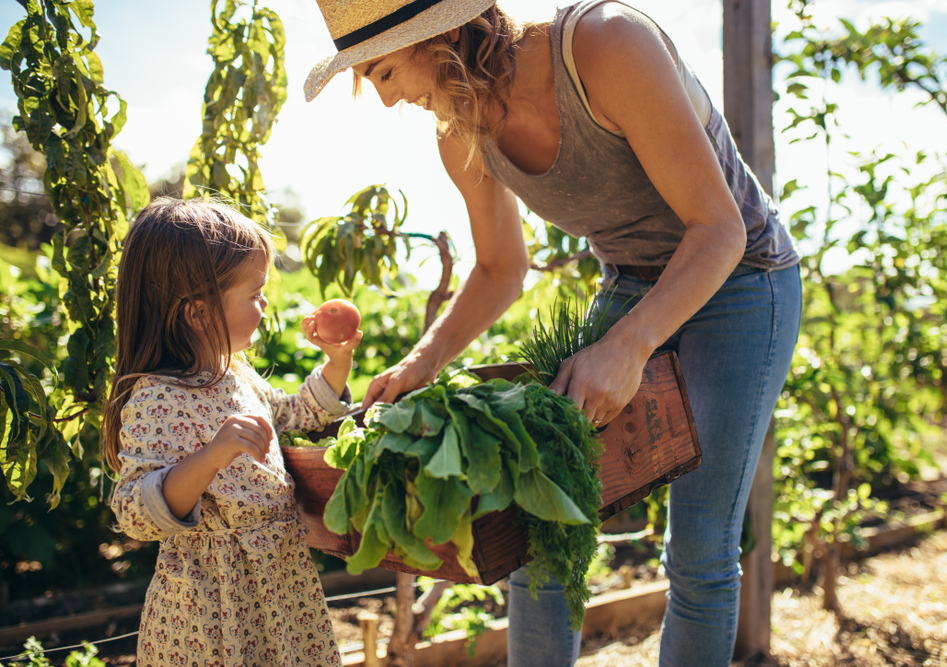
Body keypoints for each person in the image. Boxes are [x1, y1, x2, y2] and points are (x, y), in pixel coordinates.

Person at [305, 1, 802, 665]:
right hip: (629, 282)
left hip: (742, 281)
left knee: (700, 547)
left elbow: (720, 229)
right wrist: (421, 362)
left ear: (444, 31)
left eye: (386, 72)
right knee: (537, 528)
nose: (391, 100)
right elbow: (499, 267)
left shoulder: (606, 47)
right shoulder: (459, 132)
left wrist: (628, 345)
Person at [101, 198, 359, 666]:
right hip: (213, 607)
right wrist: (211, 457)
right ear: (198, 312)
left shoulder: (236, 376)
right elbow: (135, 512)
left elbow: (294, 415)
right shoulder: (158, 397)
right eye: (254, 294)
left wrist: (336, 365)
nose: (265, 306)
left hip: (279, 588)